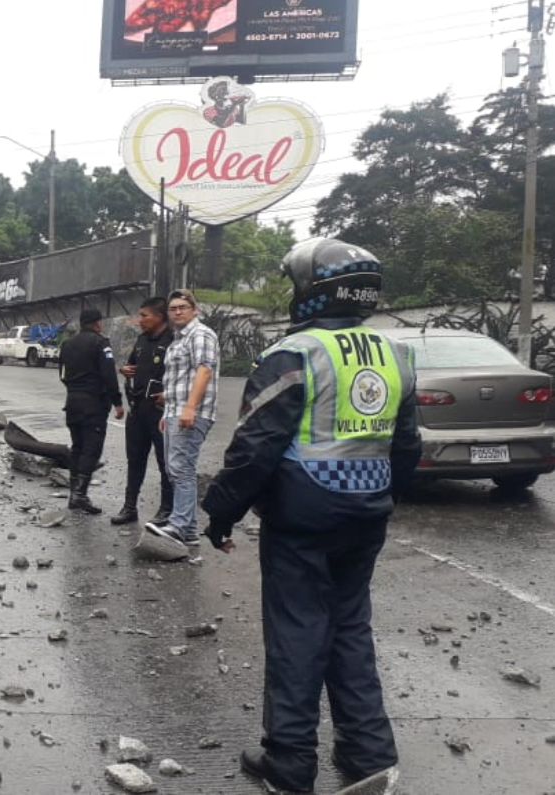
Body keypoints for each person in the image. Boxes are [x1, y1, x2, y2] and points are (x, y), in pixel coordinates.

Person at [201, 239, 419, 794]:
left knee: (298, 634)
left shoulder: (293, 353)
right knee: (350, 629)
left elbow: (256, 448)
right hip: (366, 513)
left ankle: (290, 765)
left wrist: (221, 514)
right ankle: (370, 755)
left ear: (309, 290)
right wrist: (380, 499)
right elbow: (407, 448)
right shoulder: (397, 355)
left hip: (302, 518)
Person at [145, 288, 219, 546]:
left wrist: (189, 408)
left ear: (194, 310)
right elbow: (180, 379)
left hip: (192, 412)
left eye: (182, 308)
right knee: (173, 469)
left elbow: (204, 370)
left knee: (181, 468)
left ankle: (178, 525)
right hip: (176, 411)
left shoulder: (200, 334)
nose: (177, 312)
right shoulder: (178, 339)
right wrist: (169, 407)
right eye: (173, 308)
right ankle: (188, 531)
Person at [111, 296, 174, 526]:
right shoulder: (141, 341)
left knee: (165, 462)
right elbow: (131, 366)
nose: (140, 320)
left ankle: (167, 509)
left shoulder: (174, 342)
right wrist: (124, 369)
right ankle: (129, 508)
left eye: (144, 315)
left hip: (160, 412)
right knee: (135, 460)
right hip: (137, 411)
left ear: (159, 317)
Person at [58, 307, 125, 514]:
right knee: (91, 450)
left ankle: (73, 494)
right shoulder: (100, 343)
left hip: (73, 403)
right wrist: (117, 402)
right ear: (97, 323)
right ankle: (80, 495)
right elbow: (109, 375)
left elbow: (62, 374)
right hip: (93, 405)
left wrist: (74, 389)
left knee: (77, 448)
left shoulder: (67, 344)